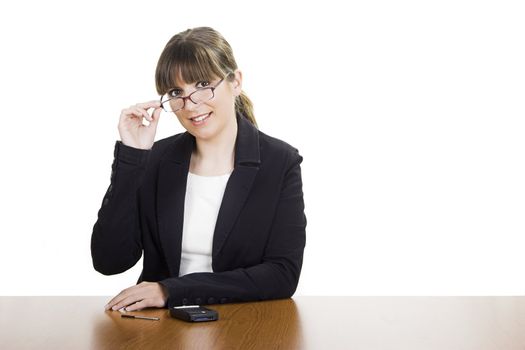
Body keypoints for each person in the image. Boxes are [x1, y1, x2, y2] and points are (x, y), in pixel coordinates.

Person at [91, 27, 306, 312]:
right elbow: (109, 260)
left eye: (203, 85)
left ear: (236, 81)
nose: (190, 105)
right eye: (177, 92)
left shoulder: (279, 162)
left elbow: (282, 275)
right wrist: (133, 158)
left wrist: (171, 291)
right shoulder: (157, 160)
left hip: (243, 323)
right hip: (162, 326)